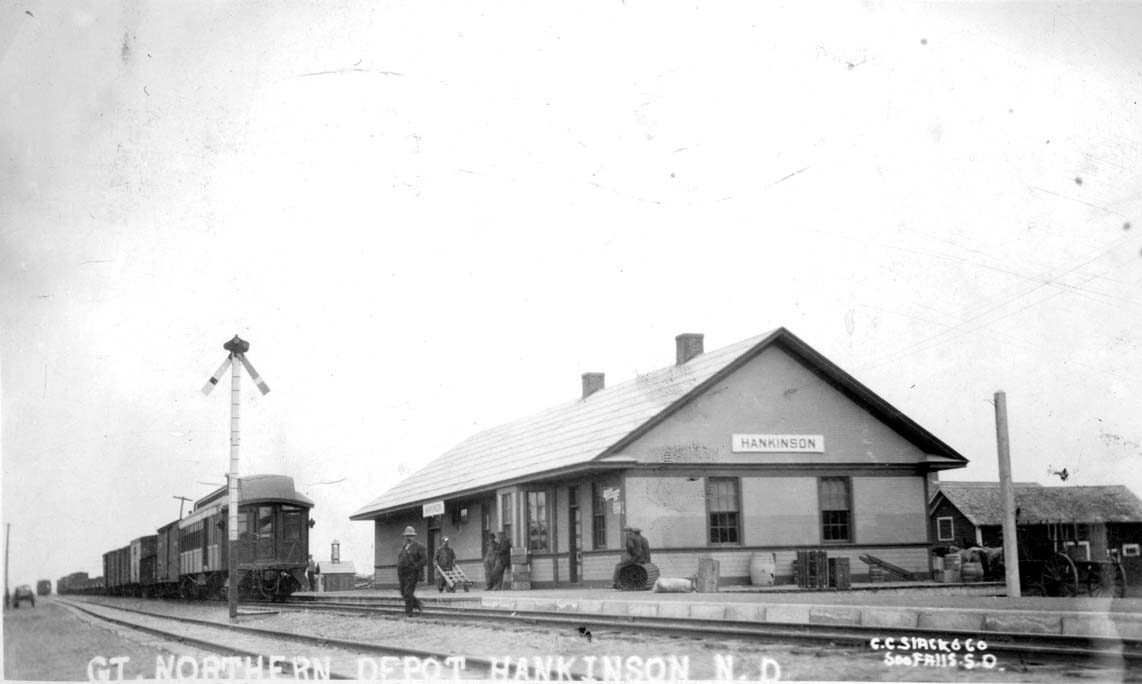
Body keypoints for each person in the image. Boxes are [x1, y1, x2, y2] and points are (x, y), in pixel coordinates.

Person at [396, 525, 427, 616]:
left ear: (414, 536)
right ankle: (418, 604)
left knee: (408, 592)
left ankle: (409, 613)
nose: (408, 538)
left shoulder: (419, 547)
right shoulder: (403, 547)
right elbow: (400, 558)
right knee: (403, 592)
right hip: (402, 573)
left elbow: (424, 560)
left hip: (412, 573)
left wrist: (415, 567)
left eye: (410, 536)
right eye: (406, 536)